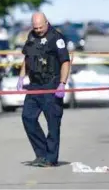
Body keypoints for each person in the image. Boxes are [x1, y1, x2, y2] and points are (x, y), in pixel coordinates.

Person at [17, 12, 71, 167]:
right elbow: (27, 58)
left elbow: (65, 62)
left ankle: (51, 158)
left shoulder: (56, 38)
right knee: (28, 117)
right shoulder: (31, 36)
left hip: (51, 84)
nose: (38, 30)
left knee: (53, 123)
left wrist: (62, 83)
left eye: (40, 27)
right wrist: (21, 77)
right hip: (34, 85)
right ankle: (41, 154)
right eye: (35, 27)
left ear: (47, 23)